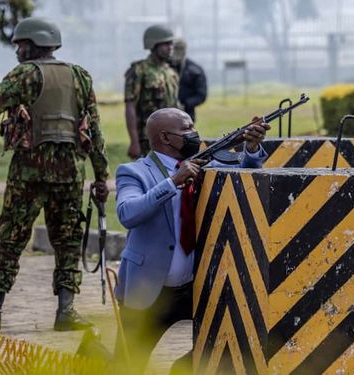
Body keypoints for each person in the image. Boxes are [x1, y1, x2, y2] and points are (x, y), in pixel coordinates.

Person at [0, 17, 110, 331]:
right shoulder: (80, 77)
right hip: (69, 174)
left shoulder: (24, 75)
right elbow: (94, 132)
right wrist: (100, 176)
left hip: (27, 174)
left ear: (32, 45)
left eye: (19, 45)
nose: (16, 51)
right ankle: (65, 312)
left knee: (10, 239)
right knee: (68, 240)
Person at [113, 107, 269, 373]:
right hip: (148, 288)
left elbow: (246, 178)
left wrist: (252, 149)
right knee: (126, 365)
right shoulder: (133, 171)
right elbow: (127, 213)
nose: (194, 134)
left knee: (222, 346)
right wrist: (173, 181)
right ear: (165, 137)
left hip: (194, 288)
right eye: (187, 129)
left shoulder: (206, 164)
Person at [124, 25, 180, 159]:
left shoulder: (171, 73)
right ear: (153, 45)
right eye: (166, 44)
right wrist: (134, 141)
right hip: (148, 139)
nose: (170, 47)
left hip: (171, 138)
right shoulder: (139, 71)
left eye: (171, 43)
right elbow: (130, 106)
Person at [170, 38, 208, 122]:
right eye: (175, 48)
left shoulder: (195, 70)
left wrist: (185, 105)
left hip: (186, 115)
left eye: (179, 49)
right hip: (165, 114)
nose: (177, 52)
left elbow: (201, 95)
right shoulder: (165, 67)